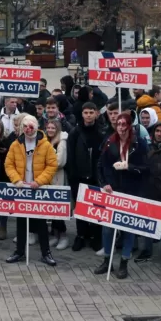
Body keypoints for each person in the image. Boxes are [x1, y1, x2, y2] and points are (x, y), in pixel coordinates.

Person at [94, 111, 147, 279]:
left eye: (124, 124)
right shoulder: (110, 142)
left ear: (130, 125)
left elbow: (147, 168)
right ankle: (107, 260)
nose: (121, 128)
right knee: (108, 229)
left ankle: (124, 262)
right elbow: (100, 165)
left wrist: (129, 167)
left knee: (128, 229)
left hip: (131, 191)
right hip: (112, 191)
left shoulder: (139, 143)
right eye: (118, 124)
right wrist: (104, 184)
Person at [4, 115, 58, 266]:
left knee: (41, 223)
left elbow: (52, 165)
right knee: (21, 222)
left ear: (36, 126)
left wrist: (39, 181)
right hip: (22, 188)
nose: (28, 130)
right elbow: (9, 164)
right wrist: (16, 180)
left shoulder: (45, 145)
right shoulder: (16, 144)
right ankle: (19, 252)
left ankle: (46, 253)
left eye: (31, 127)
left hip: (38, 189)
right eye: (25, 127)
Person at [66, 103, 106, 252]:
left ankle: (97, 236)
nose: (88, 115)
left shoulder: (102, 131)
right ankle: (81, 236)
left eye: (91, 112)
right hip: (79, 177)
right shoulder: (75, 132)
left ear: (96, 114)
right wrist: (73, 177)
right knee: (81, 208)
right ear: (82, 114)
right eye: (86, 112)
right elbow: (70, 156)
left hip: (96, 178)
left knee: (96, 208)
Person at [136, 122, 161, 265]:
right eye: (157, 131)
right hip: (147, 192)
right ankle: (146, 250)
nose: (159, 134)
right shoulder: (146, 149)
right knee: (147, 223)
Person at [44, 118, 70, 251]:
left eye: (53, 128)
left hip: (58, 178)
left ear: (57, 129)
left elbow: (60, 161)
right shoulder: (46, 140)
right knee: (50, 208)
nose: (50, 130)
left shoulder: (62, 141)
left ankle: (63, 235)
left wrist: (45, 160)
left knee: (58, 207)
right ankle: (55, 234)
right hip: (47, 178)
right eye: (48, 128)